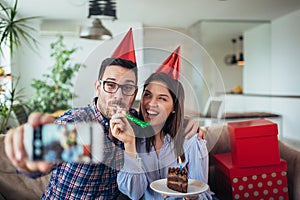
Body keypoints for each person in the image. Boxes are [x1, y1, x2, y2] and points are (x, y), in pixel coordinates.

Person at [4, 29, 203, 199]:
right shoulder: (76, 123)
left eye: (127, 88)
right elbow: (36, 161)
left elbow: (161, 121)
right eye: (110, 85)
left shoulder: (135, 121)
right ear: (97, 87)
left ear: (134, 93)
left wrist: (187, 123)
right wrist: (27, 160)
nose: (118, 96)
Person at [110, 48, 213, 200]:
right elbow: (134, 193)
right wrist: (130, 144)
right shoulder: (132, 134)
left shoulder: (192, 140)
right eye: (147, 95)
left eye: (162, 98)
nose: (151, 104)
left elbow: (203, 195)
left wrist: (192, 197)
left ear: (174, 107)